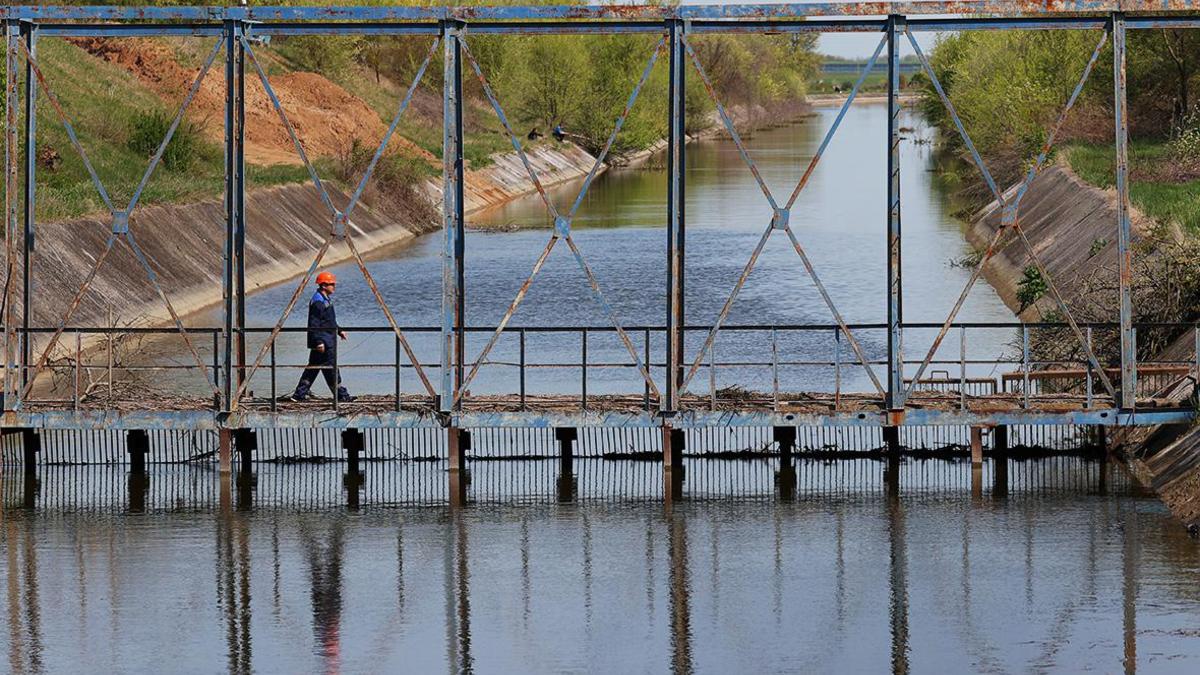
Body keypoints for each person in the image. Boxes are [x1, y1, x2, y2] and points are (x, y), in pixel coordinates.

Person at [291, 271, 354, 402]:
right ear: (324, 285)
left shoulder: (325, 299)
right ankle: (342, 396)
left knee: (314, 368)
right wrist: (319, 341)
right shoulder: (318, 301)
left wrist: (339, 331)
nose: (334, 286)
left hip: (326, 340)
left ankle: (299, 395)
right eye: (331, 284)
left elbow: (329, 320)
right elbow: (314, 323)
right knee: (331, 368)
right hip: (323, 342)